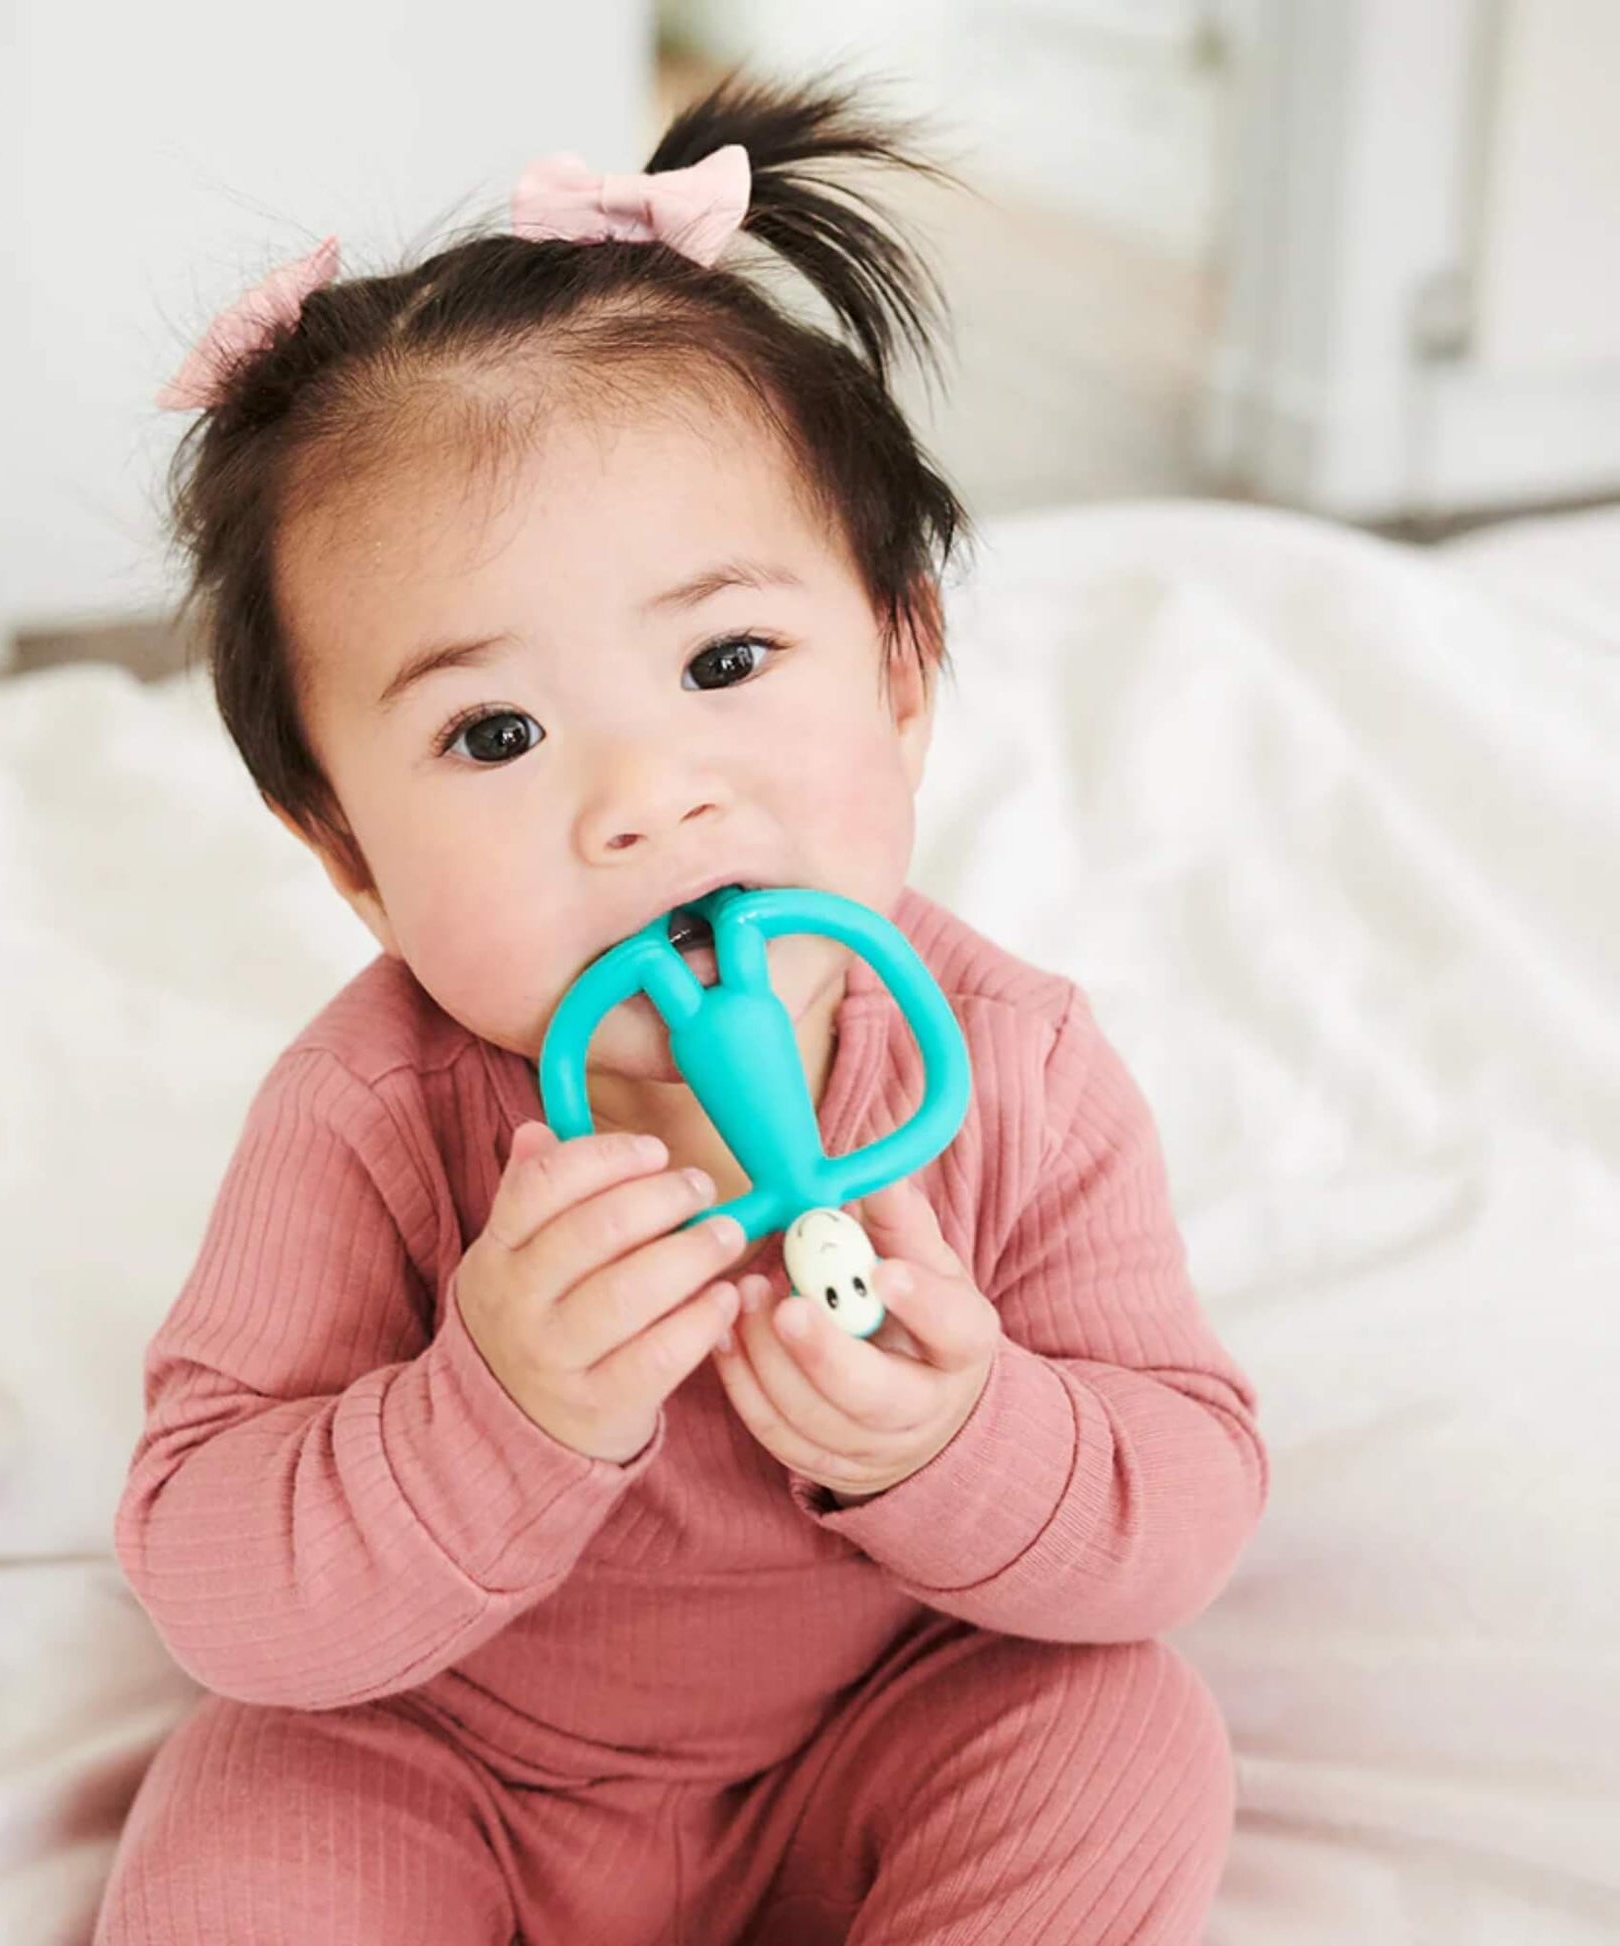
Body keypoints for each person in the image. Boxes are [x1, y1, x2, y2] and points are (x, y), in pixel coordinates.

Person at [95, 66, 1268, 1945]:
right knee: (252, 1809)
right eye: (495, 732)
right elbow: (211, 1579)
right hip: (443, 1754)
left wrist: (963, 1440)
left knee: (1126, 1730)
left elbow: (1182, 1509)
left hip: (883, 1724)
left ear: (901, 674)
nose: (643, 797)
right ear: (348, 855)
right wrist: (491, 1408)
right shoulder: (367, 1115)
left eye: (725, 659)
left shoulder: (1012, 1067)